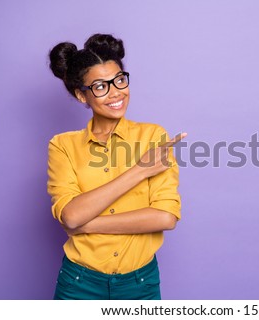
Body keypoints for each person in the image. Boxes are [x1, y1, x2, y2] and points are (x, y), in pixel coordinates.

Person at [47, 33, 186, 300]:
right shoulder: (62, 145)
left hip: (140, 283)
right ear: (81, 95)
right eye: (100, 86)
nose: (116, 93)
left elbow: (165, 217)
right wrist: (140, 170)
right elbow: (72, 216)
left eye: (119, 80)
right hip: (79, 283)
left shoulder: (153, 137)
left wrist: (88, 224)